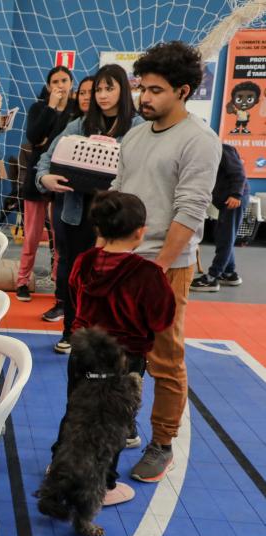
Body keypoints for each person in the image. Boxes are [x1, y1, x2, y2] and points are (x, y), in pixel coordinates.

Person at [110, 41, 221, 483]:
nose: (144, 97)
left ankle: (162, 442)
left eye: (155, 90)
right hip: (124, 261)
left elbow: (190, 214)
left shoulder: (200, 142)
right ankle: (124, 426)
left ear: (183, 91)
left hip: (167, 267)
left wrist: (157, 268)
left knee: (165, 357)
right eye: (142, 88)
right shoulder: (135, 135)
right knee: (120, 352)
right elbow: (118, 198)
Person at [51, 191, 175, 502]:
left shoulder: (84, 261)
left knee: (77, 412)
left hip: (83, 353)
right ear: (140, 232)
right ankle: (103, 485)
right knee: (113, 424)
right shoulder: (148, 274)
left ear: (98, 229)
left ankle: (60, 466)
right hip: (124, 359)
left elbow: (73, 296)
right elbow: (161, 319)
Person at [37, 64, 144, 354]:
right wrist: (44, 178)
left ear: (123, 90)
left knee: (111, 276)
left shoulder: (138, 127)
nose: (102, 94)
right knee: (75, 273)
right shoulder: (80, 124)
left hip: (116, 219)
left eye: (110, 88)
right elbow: (45, 159)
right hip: (78, 214)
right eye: (99, 89)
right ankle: (72, 329)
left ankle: (108, 334)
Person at [17, 66, 78, 318]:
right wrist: (51, 107)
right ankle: (22, 280)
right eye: (55, 81)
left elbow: (55, 141)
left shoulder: (76, 112)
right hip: (36, 179)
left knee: (59, 236)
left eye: (64, 80)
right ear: (48, 85)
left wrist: (45, 141)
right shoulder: (38, 108)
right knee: (31, 235)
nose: (60, 85)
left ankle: (57, 281)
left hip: (61, 181)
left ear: (71, 83)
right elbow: (34, 136)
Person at [190, 143, 248, 292]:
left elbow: (238, 172)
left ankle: (212, 278)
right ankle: (229, 274)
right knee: (222, 235)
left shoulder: (221, 148)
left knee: (225, 237)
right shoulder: (199, 151)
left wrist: (236, 194)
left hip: (233, 199)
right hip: (224, 199)